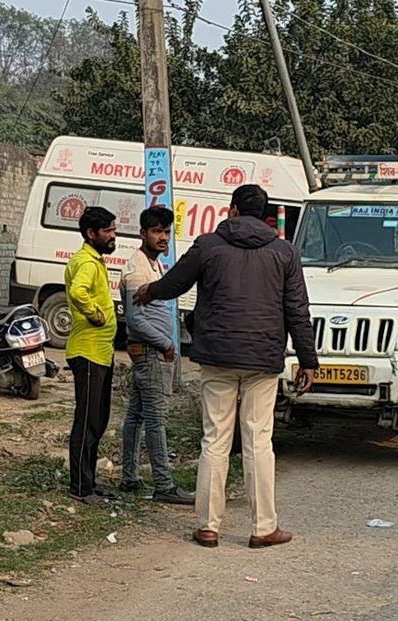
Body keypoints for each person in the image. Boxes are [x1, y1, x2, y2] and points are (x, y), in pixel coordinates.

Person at [135, 184, 318, 549]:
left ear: (232, 210)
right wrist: (308, 360)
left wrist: (148, 291)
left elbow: (174, 283)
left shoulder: (208, 245)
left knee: (215, 440)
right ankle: (264, 527)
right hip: (263, 360)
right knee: (257, 441)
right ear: (265, 216)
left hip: (217, 355)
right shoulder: (284, 252)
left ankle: (208, 526)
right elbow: (297, 310)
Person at [119, 206, 194, 506]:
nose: (163, 238)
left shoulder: (153, 264)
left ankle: (130, 477)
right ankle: (164, 483)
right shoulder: (138, 268)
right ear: (143, 234)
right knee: (156, 419)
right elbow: (136, 320)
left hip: (151, 352)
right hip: (150, 353)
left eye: (166, 232)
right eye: (156, 232)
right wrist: (166, 343)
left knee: (136, 417)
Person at [65, 206, 118, 507]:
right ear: (91, 234)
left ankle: (90, 482)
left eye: (113, 230)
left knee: (97, 420)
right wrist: (95, 314)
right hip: (87, 352)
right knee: (86, 422)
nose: (113, 236)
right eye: (108, 231)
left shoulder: (94, 260)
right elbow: (77, 292)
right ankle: (80, 487)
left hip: (100, 353)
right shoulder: (86, 262)